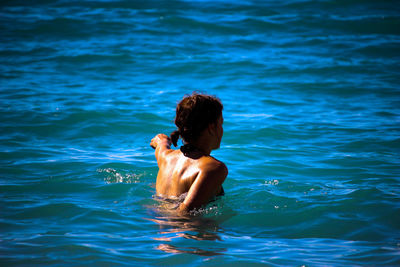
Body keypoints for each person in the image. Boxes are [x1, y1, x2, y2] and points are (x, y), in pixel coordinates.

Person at [150, 92, 228, 214]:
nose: (222, 130)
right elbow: (185, 213)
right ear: (212, 127)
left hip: (157, 223)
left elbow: (159, 142)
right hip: (186, 230)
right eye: (221, 124)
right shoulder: (212, 168)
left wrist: (163, 141)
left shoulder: (165, 157)